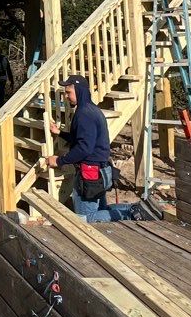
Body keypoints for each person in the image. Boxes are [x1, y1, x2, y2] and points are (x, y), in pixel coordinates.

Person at [43, 74, 138, 223]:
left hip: (90, 173)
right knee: (100, 211)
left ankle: (131, 214)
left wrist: (60, 161)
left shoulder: (84, 114)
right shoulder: (90, 109)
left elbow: (84, 148)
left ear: (80, 91)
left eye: (69, 93)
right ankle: (134, 210)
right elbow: (82, 139)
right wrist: (60, 133)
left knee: (87, 219)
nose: (66, 97)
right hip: (99, 170)